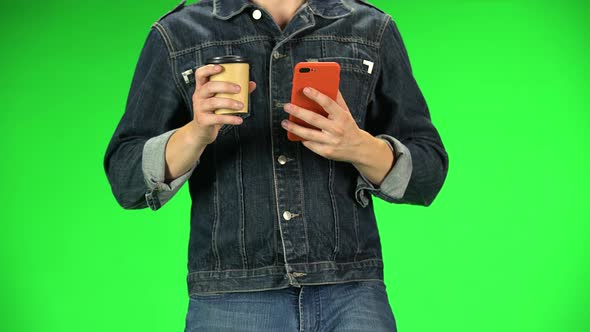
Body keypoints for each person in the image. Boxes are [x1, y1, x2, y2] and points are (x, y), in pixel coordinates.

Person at [103, 0, 448, 330]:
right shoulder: (177, 35)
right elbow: (125, 177)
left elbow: (428, 173)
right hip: (231, 298)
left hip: (352, 294)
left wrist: (359, 146)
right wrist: (195, 133)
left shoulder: (372, 30)